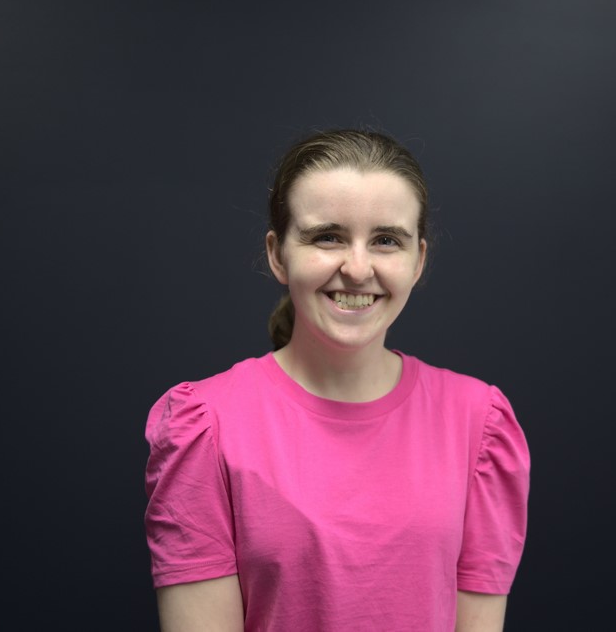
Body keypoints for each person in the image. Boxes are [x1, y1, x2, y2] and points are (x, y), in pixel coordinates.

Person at [144, 129, 530, 631]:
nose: (358, 268)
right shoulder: (205, 426)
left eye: (386, 240)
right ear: (278, 255)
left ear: (418, 261)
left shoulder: (480, 424)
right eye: (328, 236)